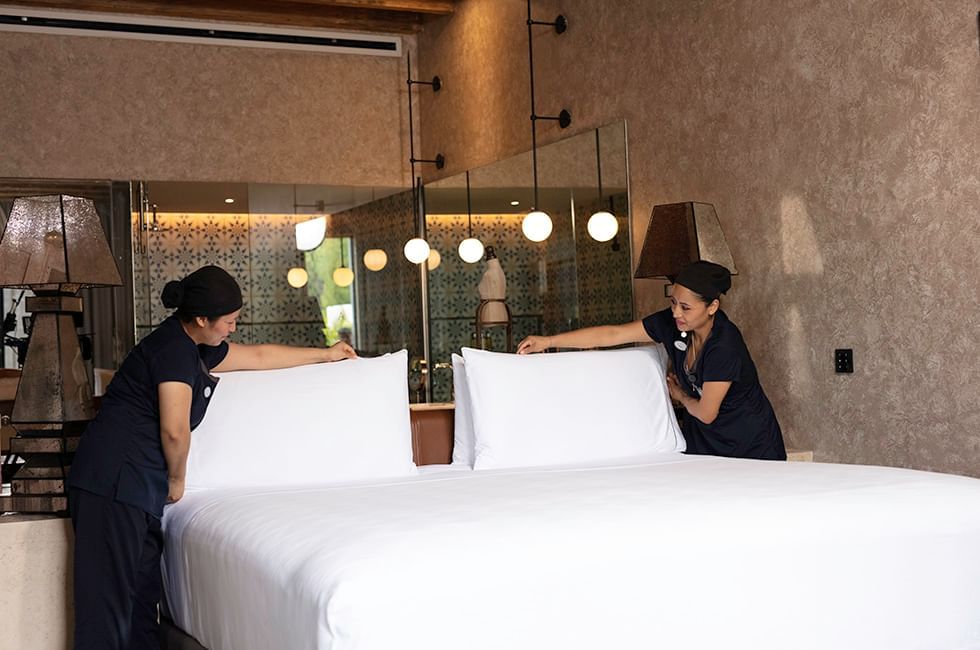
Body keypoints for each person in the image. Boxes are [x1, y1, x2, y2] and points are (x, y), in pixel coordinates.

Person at [67, 265, 356, 650]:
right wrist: (177, 479)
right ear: (202, 318)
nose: (234, 328)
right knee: (107, 611)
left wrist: (327, 354)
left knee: (139, 602)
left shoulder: (194, 346)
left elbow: (260, 355)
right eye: (230, 321)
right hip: (112, 484)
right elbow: (174, 428)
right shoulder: (172, 351)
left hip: (135, 487)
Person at [518, 260, 785, 461]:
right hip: (706, 446)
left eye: (686, 307)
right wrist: (548, 341)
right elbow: (614, 333)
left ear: (712, 307)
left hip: (751, 447)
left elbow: (706, 412)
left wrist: (679, 395)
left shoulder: (725, 346)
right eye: (673, 303)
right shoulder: (674, 324)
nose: (676, 312)